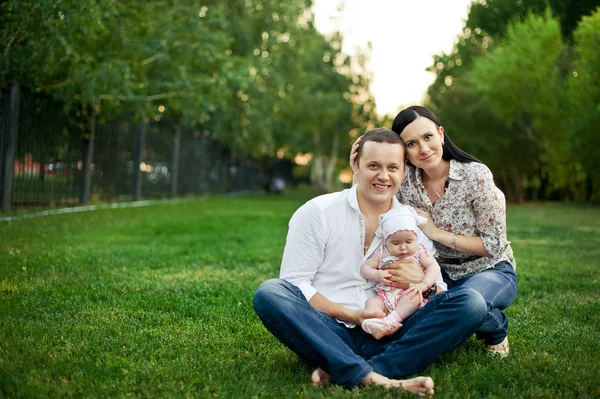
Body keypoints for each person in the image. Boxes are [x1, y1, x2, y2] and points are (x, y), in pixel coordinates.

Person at [253, 128, 488, 396]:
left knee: (471, 303)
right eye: (373, 166)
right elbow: (295, 283)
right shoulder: (317, 212)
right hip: (330, 329)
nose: (383, 176)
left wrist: (424, 285)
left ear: (403, 172)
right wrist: (353, 316)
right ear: (356, 164)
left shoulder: (412, 223)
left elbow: (439, 292)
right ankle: (379, 377)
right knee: (271, 293)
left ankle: (351, 366)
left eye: (392, 167)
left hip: (394, 328)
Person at [350, 106, 517, 357]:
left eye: (428, 137)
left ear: (441, 133)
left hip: (489, 268)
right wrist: (357, 172)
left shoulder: (475, 175)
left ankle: (495, 326)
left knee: (466, 300)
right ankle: (446, 309)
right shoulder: (405, 182)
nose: (424, 149)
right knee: (415, 305)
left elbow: (493, 243)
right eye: (412, 144)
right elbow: (370, 206)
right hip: (438, 272)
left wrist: (436, 232)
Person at [361, 207, 441, 339]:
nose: (403, 247)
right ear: (386, 241)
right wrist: (375, 274)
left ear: (415, 237)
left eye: (409, 242)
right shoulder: (383, 252)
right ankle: (375, 321)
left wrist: (423, 284)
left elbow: (434, 267)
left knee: (413, 298)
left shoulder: (419, 251)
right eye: (396, 243)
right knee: (371, 302)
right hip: (385, 295)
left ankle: (391, 321)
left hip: (409, 294)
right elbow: (365, 268)